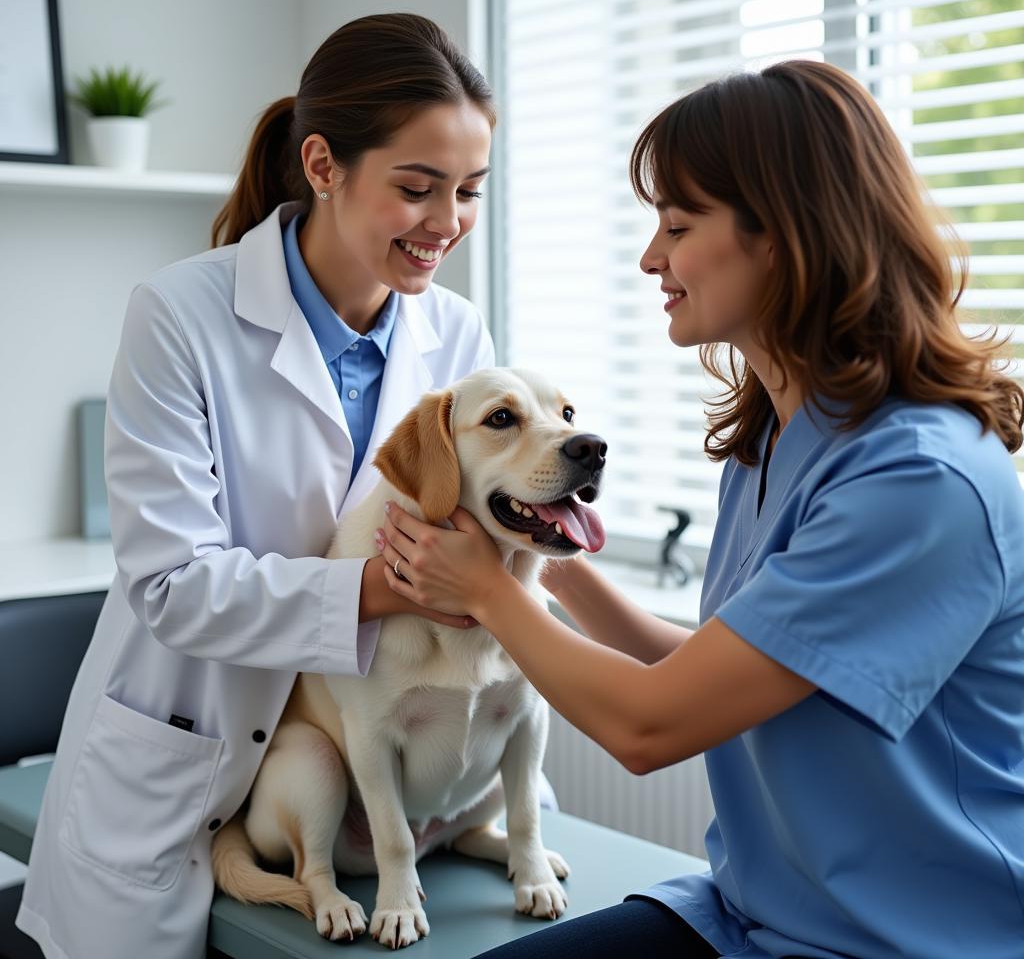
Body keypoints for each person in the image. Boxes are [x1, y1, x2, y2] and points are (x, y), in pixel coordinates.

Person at [376, 59, 1024, 959]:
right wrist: (543, 546)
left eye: (678, 226)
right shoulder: (775, 439)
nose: (651, 258)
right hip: (752, 912)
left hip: (907, 939)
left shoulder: (920, 483)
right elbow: (724, 674)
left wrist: (490, 593)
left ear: (786, 237)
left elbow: (652, 725)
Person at [16, 13, 501, 959]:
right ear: (323, 164)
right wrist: (384, 585)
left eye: (471, 191)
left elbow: (474, 541)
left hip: (371, 779)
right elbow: (171, 582)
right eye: (417, 187)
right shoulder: (181, 314)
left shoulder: (456, 336)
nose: (448, 223)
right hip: (181, 765)